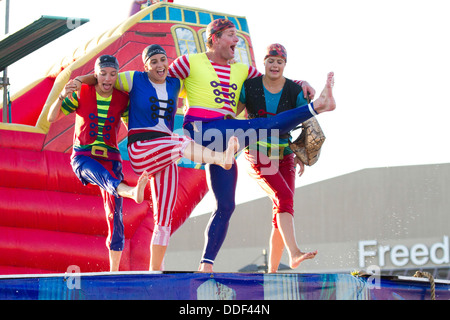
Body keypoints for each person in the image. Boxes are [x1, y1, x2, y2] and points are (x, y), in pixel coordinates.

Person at [168, 18, 336, 272]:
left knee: (226, 205)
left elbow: (275, 80)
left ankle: (206, 265)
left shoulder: (243, 71)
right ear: (214, 38)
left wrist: (302, 84)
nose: (237, 41)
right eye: (231, 35)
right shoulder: (189, 61)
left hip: (226, 141)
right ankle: (318, 107)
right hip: (202, 130)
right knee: (260, 127)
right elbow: (160, 82)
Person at [73, 45, 239, 271]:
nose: (160, 65)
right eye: (154, 62)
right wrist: (78, 82)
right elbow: (101, 78)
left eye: (163, 60)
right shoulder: (134, 79)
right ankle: (220, 159)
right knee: (180, 143)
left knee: (163, 221)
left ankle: (155, 271)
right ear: (145, 65)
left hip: (165, 151)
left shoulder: (175, 83)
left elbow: (203, 90)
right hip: (142, 147)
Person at [47, 55, 149, 272]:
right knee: (105, 178)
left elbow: (132, 127)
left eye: (113, 74)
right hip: (83, 157)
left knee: (115, 216)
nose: (108, 78)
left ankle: (114, 271)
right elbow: (50, 118)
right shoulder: (82, 93)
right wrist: (61, 95)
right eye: (103, 74)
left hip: (111, 158)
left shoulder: (123, 99)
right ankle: (130, 192)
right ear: (96, 74)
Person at [237, 43, 318, 273]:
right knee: (283, 197)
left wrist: (301, 152)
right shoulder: (250, 86)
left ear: (285, 65)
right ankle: (294, 253)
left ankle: (272, 272)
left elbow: (307, 121)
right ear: (264, 62)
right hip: (258, 150)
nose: (275, 65)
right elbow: (232, 112)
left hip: (284, 153)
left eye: (279, 61)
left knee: (281, 208)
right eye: (271, 60)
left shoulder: (294, 90)